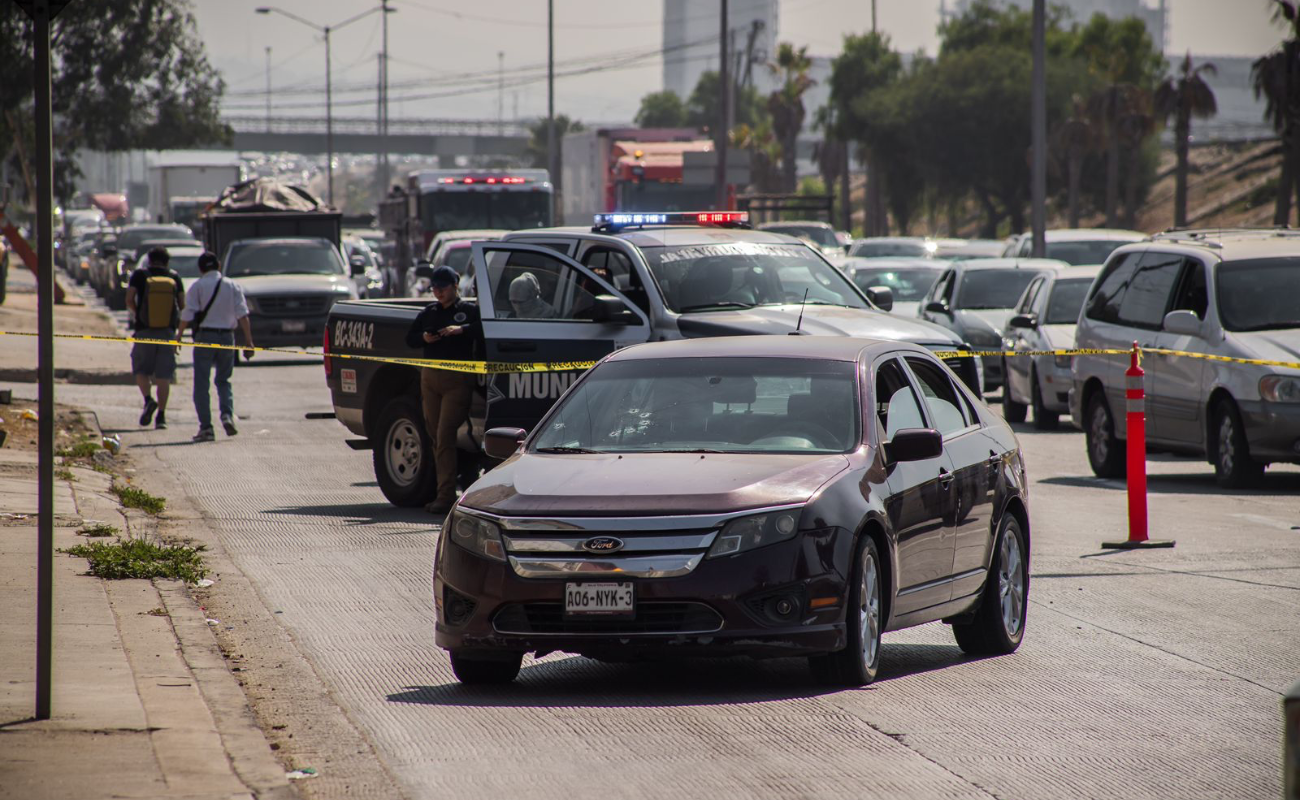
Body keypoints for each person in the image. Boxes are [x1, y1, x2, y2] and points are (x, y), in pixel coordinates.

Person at [405, 264, 483, 515]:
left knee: (446, 433)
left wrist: (461, 330)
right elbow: (411, 338)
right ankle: (449, 484)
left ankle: (446, 495)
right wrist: (424, 338)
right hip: (430, 377)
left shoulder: (469, 311)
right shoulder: (429, 312)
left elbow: (484, 329)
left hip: (457, 378)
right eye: (434, 287)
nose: (437, 292)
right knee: (436, 436)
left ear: (455, 287)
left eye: (442, 287)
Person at [176, 251, 255, 442]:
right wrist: (249, 341)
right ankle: (227, 415)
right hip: (227, 337)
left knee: (202, 383)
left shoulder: (198, 286)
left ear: (201, 268)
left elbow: (187, 314)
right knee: (223, 380)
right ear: (218, 266)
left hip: (205, 337)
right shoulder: (232, 285)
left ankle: (206, 428)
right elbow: (242, 315)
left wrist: (178, 336)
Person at [125, 247, 185, 429]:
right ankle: (161, 416)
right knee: (164, 377)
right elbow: (183, 304)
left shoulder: (139, 275)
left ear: (149, 260)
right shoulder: (174, 277)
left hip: (144, 331)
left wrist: (138, 315)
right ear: (167, 262)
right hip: (167, 333)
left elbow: (129, 299)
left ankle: (148, 399)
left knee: (141, 371)